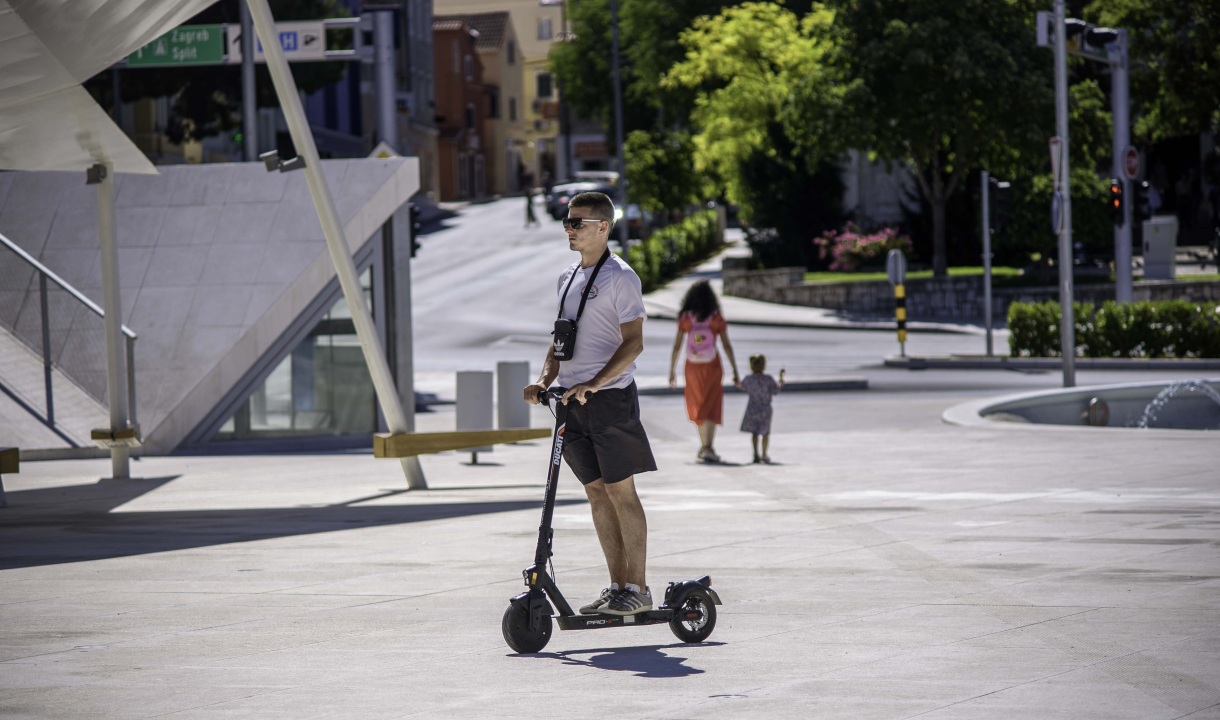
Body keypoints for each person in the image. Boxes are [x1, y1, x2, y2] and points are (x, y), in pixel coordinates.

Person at [523, 191, 657, 616]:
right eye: (567, 221)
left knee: (621, 492)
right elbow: (560, 341)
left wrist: (597, 383)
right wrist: (544, 380)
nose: (569, 228)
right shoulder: (567, 278)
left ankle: (638, 588)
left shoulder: (621, 277)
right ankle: (617, 586)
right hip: (571, 402)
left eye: (577, 222)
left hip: (610, 399)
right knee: (596, 494)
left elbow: (633, 344)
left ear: (602, 226)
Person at [668, 280, 740, 463]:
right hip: (713, 365)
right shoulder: (716, 317)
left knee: (697, 401)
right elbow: (726, 345)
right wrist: (735, 370)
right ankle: (709, 446)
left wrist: (672, 371)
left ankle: (704, 445)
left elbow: (677, 346)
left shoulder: (686, 318)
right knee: (712, 401)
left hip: (692, 366)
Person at [741, 354, 784, 463]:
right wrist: (781, 382)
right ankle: (764, 454)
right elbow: (775, 391)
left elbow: (741, 386)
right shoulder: (768, 379)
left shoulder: (749, 379)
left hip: (752, 408)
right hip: (765, 409)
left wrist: (735, 379)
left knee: (754, 433)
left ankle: (755, 452)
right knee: (765, 432)